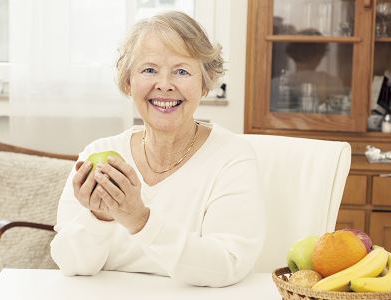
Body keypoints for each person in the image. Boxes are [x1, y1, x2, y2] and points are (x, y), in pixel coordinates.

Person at [50, 11, 265, 288]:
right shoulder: (99, 152)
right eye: (149, 70)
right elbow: (70, 264)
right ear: (129, 82)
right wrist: (99, 216)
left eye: (182, 71)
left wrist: (139, 219)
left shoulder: (232, 158)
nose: (164, 85)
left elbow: (226, 266)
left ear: (205, 83)